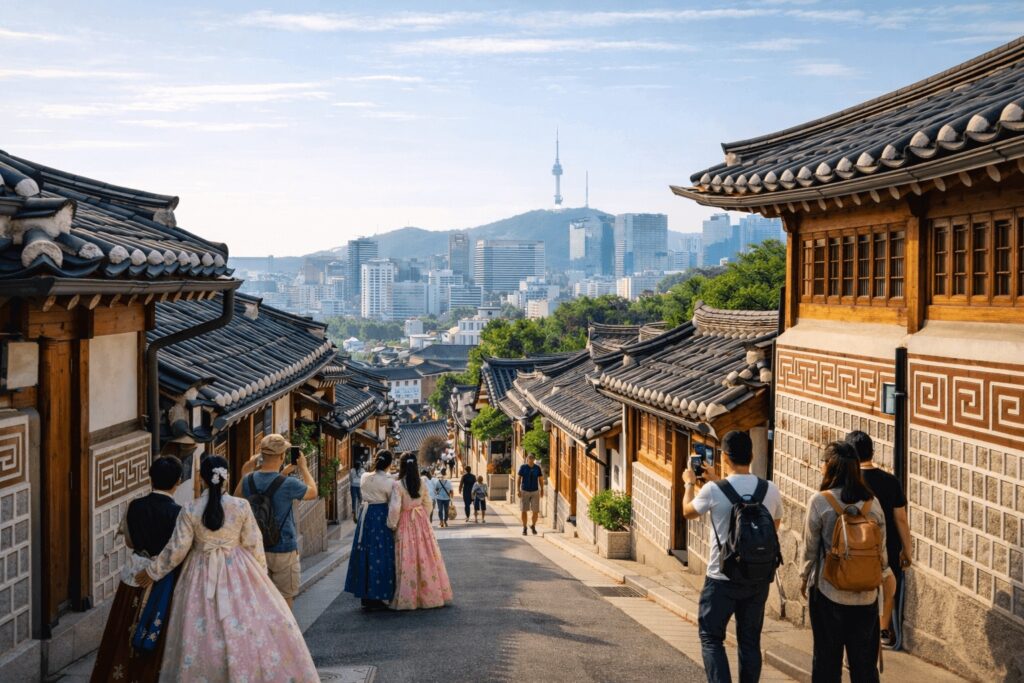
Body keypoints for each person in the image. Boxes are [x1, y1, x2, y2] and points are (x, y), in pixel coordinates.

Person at [136, 456, 318, 682]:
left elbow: (177, 549)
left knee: (199, 629)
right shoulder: (241, 506)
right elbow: (253, 543)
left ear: (201, 479)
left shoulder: (190, 508)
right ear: (227, 477)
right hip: (240, 570)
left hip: (199, 572)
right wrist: (260, 580)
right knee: (242, 627)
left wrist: (152, 571)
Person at [682, 431, 783, 683]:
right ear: (751, 455)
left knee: (711, 637)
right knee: (750, 641)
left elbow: (688, 512)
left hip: (721, 576)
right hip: (757, 578)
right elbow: (775, 527)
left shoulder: (712, 490)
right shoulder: (769, 489)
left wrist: (687, 483)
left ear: (724, 457)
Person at [801, 441, 889, 683]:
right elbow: (881, 550)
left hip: (828, 592)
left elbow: (809, 548)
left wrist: (803, 577)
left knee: (827, 664)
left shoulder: (820, 502)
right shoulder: (872, 504)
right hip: (866, 595)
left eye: (822, 462)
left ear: (830, 467)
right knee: (863, 666)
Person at [91, 457, 183, 683]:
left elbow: (130, 542)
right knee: (157, 629)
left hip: (134, 573)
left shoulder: (135, 505)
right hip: (163, 577)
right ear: (178, 482)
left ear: (150, 478)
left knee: (123, 627)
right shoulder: (179, 512)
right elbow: (179, 548)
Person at [234, 434, 317, 608]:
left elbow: (237, 498)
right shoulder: (289, 484)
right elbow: (312, 492)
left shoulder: (248, 479)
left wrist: (247, 469)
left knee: (260, 601)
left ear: (261, 455)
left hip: (255, 549)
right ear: (282, 456)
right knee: (285, 599)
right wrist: (303, 468)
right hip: (283, 547)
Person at [847, 430, 912, 648]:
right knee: (887, 586)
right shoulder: (891, 481)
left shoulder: (848, 482)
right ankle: (883, 630)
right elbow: (901, 519)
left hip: (855, 545)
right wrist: (907, 550)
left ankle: (858, 629)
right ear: (872, 452)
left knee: (856, 586)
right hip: (887, 544)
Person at [388, 454, 453, 610]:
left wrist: (392, 524)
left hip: (405, 520)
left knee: (408, 557)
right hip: (421, 519)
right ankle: (430, 595)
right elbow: (428, 503)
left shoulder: (397, 485)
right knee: (425, 556)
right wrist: (424, 517)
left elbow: (395, 508)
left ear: (402, 466)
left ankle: (409, 597)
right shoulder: (422, 483)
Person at [344, 449, 397, 610]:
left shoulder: (365, 477)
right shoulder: (390, 481)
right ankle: (378, 594)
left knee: (365, 552)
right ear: (389, 464)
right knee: (381, 554)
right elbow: (392, 502)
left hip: (366, 515)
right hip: (380, 515)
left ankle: (365, 594)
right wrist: (393, 523)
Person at [517, 454, 545, 536]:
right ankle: (524, 527)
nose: (530, 460)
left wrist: (542, 489)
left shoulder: (537, 468)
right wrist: (518, 490)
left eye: (532, 458)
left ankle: (533, 526)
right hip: (525, 490)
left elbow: (540, 479)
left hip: (535, 491)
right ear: (527, 459)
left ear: (534, 459)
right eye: (529, 458)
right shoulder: (523, 467)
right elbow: (519, 478)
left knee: (535, 511)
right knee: (524, 510)